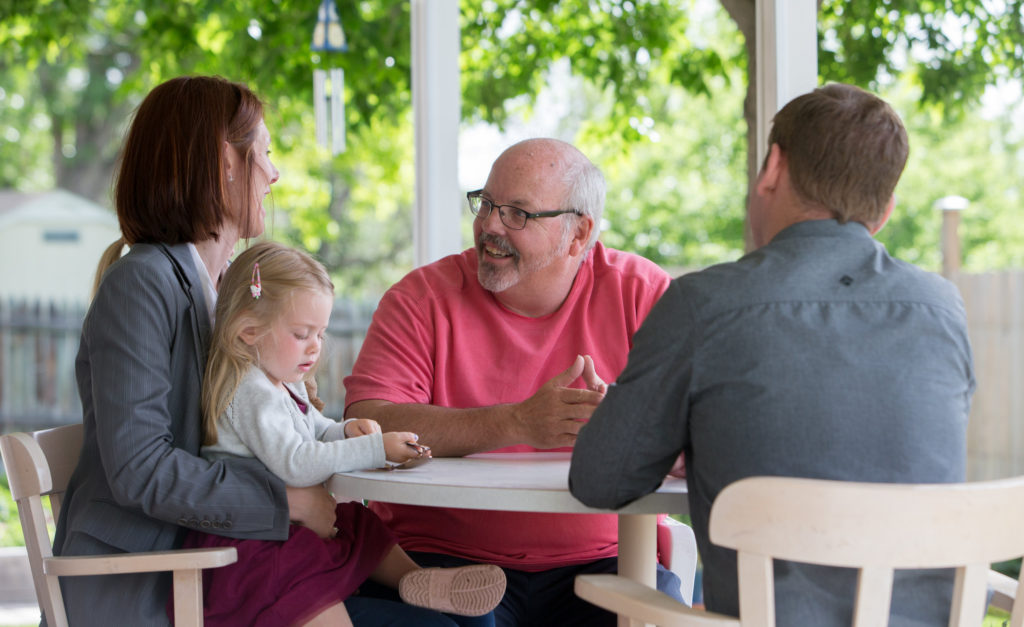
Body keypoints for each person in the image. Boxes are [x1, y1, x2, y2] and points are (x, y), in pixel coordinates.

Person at [569, 83, 976, 626]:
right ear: (884, 209)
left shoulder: (702, 305)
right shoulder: (942, 309)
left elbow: (601, 481)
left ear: (774, 169)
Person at [49, 75, 446, 626]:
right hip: (157, 583)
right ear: (224, 161)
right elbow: (141, 468)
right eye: (265, 152)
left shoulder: (223, 296)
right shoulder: (141, 284)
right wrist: (285, 502)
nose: (275, 172)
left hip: (232, 561)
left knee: (470, 618)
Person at [344, 137, 682, 626]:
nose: (489, 226)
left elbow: (709, 432)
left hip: (610, 558)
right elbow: (367, 421)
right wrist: (516, 423)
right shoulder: (421, 297)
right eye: (486, 204)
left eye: (518, 213)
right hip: (438, 560)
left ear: (577, 234)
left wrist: (634, 430)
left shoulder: (642, 293)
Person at [185, 241, 506, 626]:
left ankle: (418, 581)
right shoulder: (250, 390)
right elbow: (296, 464)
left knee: (360, 522)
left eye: (320, 334)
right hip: (254, 541)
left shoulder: (283, 381)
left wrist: (344, 431)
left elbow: (313, 431)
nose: (315, 348)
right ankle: (400, 586)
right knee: (320, 557)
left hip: (283, 523)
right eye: (302, 333)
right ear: (249, 331)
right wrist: (372, 449)